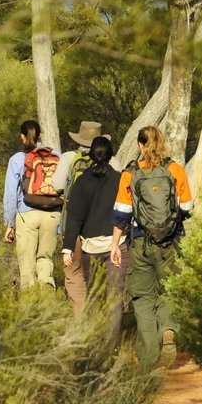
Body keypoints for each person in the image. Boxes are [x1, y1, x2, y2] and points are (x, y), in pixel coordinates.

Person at [110, 125, 192, 369]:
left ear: (140, 146)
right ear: (162, 143)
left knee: (143, 298)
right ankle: (168, 328)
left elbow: (121, 214)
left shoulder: (130, 174)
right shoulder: (174, 170)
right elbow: (187, 207)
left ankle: (148, 359)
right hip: (170, 243)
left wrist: (115, 244)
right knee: (168, 290)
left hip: (139, 243)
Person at [61, 136, 127, 345]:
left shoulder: (82, 181)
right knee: (114, 297)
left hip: (91, 248)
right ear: (111, 154)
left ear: (91, 155)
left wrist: (67, 248)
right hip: (117, 246)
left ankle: (95, 343)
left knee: (95, 295)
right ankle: (112, 345)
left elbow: (74, 217)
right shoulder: (120, 179)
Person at [52, 121, 117, 313]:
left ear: (79, 138)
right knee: (103, 278)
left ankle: (80, 320)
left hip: (73, 227)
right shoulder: (111, 160)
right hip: (103, 230)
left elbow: (57, 186)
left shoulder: (68, 158)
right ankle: (103, 317)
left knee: (74, 274)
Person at [3, 119, 61, 290]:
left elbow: (11, 194)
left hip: (26, 214)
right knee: (45, 259)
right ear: (40, 135)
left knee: (26, 263)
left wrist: (9, 224)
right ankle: (47, 301)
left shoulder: (17, 159)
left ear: (22, 137)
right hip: (52, 214)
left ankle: (31, 307)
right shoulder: (56, 155)